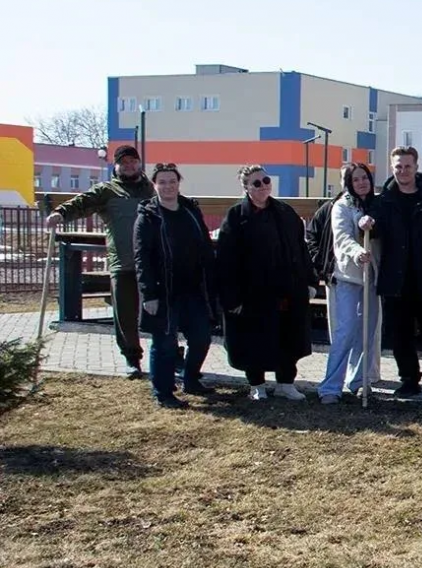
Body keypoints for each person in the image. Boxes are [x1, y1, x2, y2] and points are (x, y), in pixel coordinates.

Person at [45, 144, 154, 378]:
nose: (129, 166)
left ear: (139, 164)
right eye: (123, 163)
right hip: (123, 263)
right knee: (124, 313)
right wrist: (60, 213)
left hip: (153, 264)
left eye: (133, 162)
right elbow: (82, 202)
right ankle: (132, 358)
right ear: (116, 166)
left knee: (162, 311)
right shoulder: (107, 190)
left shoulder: (151, 190)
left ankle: (171, 355)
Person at [216, 165, 318, 401]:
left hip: (287, 290)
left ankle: (285, 383)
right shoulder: (236, 217)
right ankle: (257, 385)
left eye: (266, 180)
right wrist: (232, 297)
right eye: (256, 183)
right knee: (254, 339)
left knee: (287, 337)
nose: (263, 186)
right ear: (246, 188)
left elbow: (301, 251)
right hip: (252, 293)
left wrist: (310, 281)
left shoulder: (285, 211)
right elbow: (225, 261)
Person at [360, 146, 422, 400]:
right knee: (401, 335)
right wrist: (366, 224)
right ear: (393, 168)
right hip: (396, 280)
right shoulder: (382, 202)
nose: (403, 171)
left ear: (416, 166)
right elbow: (374, 230)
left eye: (407, 166)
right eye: (398, 167)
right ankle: (409, 379)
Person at [132, 163, 215, 408]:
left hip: (193, 289)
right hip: (163, 291)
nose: (168, 186)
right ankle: (163, 392)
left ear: (179, 183)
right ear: (154, 185)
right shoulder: (147, 217)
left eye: (172, 181)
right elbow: (141, 258)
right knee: (165, 343)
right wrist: (149, 294)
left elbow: (205, 246)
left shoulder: (190, 210)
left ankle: (190, 379)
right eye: (162, 182)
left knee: (201, 337)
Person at [317, 163, 380, 404]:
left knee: (368, 331)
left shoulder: (376, 203)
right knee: (345, 331)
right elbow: (341, 237)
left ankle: (359, 381)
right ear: (349, 183)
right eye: (356, 179)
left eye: (365, 178)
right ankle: (330, 387)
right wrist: (357, 252)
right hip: (348, 276)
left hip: (372, 277)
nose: (362, 182)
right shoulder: (342, 205)